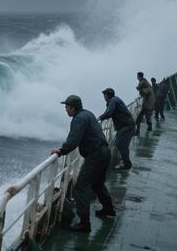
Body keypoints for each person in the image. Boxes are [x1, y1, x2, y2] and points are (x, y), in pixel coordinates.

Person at [51, 95, 115, 232]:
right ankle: (109, 210)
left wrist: (61, 151)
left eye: (66, 107)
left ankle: (84, 224)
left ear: (73, 107)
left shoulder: (78, 119)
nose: (65, 109)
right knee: (97, 183)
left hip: (96, 155)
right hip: (105, 152)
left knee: (81, 186)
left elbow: (73, 140)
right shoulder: (88, 114)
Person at [98, 88, 135, 171]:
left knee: (121, 144)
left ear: (107, 95)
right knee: (121, 144)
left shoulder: (113, 101)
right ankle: (126, 163)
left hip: (127, 126)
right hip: (127, 126)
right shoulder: (115, 100)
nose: (103, 97)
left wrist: (100, 117)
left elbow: (109, 112)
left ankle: (127, 164)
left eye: (104, 95)